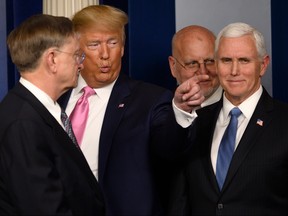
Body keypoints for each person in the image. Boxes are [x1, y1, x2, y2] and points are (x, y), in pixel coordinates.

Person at [58, 5, 207, 215]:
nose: (105, 54)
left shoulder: (150, 100)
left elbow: (170, 147)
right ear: (77, 51)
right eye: (94, 44)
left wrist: (180, 111)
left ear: (123, 47)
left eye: (112, 43)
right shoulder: (57, 98)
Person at [169, 22, 288, 215]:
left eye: (244, 60)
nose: (234, 71)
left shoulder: (283, 122)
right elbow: (180, 201)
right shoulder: (195, 122)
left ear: (263, 65)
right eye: (225, 60)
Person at [0, 14, 104, 215]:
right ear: (52, 59)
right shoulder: (23, 122)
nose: (81, 64)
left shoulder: (36, 110)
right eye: (76, 55)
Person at [168, 25, 222, 108]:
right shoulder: (161, 109)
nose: (203, 72)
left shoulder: (238, 105)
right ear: (173, 66)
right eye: (192, 63)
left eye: (210, 61)